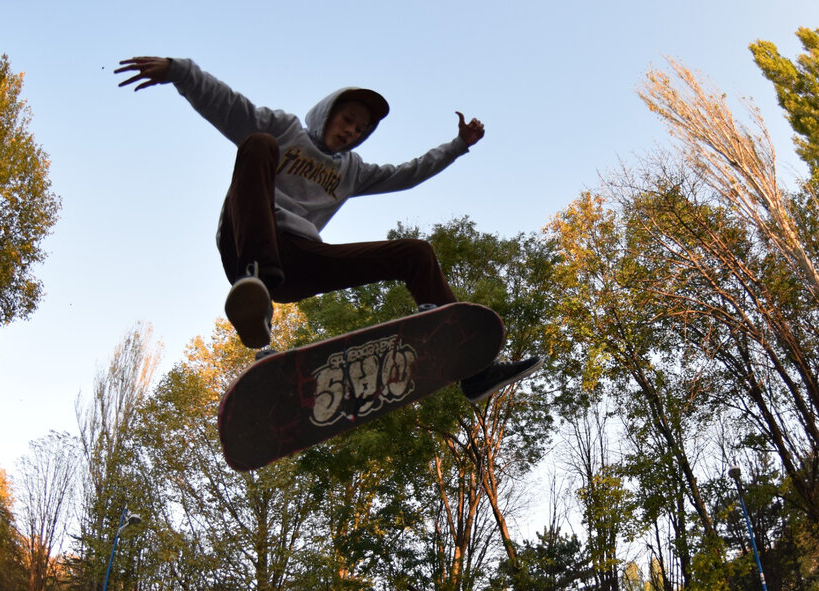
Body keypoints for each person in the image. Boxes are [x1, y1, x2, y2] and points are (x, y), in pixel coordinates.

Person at [115, 56, 541, 402]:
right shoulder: (284, 129)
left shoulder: (352, 172)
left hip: (301, 260)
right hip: (246, 239)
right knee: (258, 143)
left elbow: (407, 173)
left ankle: (472, 369)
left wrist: (457, 147)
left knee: (416, 252)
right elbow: (229, 105)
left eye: (361, 129)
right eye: (347, 119)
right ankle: (254, 291)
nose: (351, 131)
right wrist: (179, 71)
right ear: (327, 113)